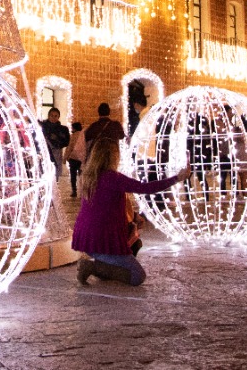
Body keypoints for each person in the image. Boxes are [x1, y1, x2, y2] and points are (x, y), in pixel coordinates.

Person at [72, 138, 189, 286]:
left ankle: (104, 266)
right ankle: (92, 267)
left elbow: (106, 205)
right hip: (102, 239)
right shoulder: (113, 178)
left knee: (135, 243)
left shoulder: (88, 177)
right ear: (112, 157)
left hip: (87, 237)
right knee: (137, 276)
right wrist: (177, 178)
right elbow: (145, 188)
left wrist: (133, 216)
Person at [40, 107, 70, 178]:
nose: (53, 118)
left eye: (55, 116)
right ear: (48, 116)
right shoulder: (43, 127)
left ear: (58, 117)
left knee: (55, 173)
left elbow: (66, 142)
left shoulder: (63, 129)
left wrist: (57, 139)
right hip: (45, 153)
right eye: (51, 115)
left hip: (57, 153)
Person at [64, 122, 86, 197]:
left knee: (73, 176)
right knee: (81, 175)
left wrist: (65, 158)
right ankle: (82, 192)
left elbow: (69, 147)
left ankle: (74, 191)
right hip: (81, 158)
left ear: (74, 128)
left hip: (73, 158)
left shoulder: (72, 136)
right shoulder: (84, 135)